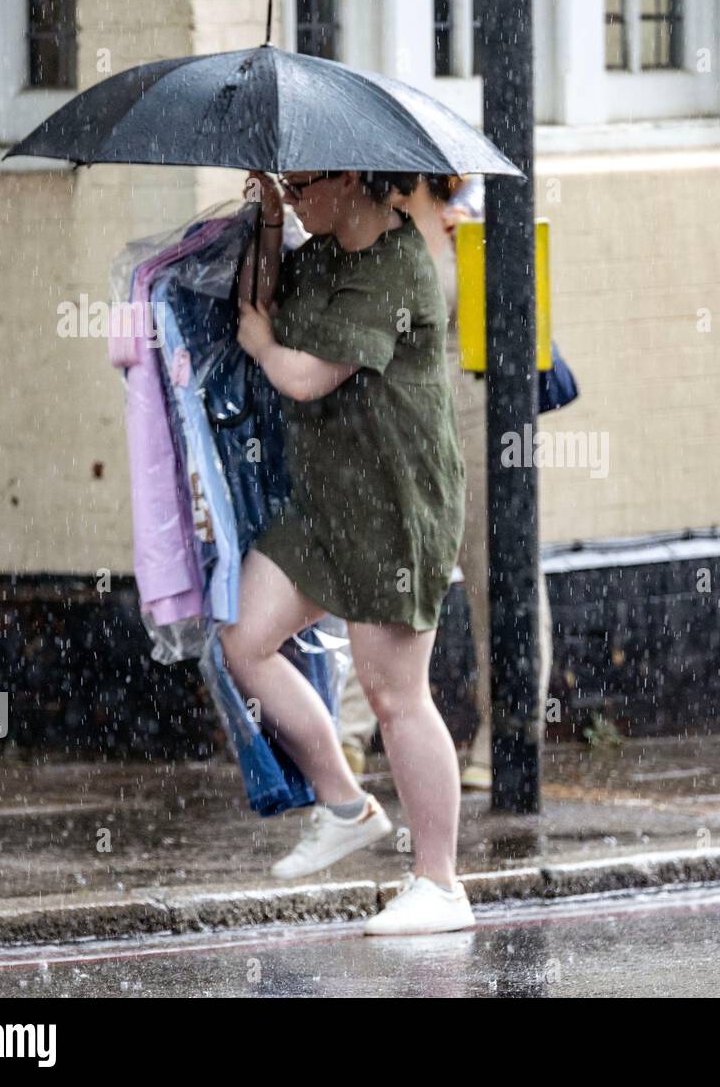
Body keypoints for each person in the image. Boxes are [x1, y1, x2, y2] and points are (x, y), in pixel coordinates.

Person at [224, 167, 471, 935]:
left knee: (397, 697)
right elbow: (259, 302)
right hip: (327, 505)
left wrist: (265, 345)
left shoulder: (397, 269)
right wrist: (268, 219)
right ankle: (342, 802)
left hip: (396, 510)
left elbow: (301, 374)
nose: (296, 195)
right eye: (288, 185)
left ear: (357, 178)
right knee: (245, 638)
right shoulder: (323, 250)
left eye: (302, 184)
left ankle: (440, 884)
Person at [339, 174, 554, 791]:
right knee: (379, 570)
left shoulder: (481, 225)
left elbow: (521, 320)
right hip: (400, 422)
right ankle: (351, 731)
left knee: (498, 570)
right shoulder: (378, 233)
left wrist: (481, 244)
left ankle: (507, 729)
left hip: (477, 416)